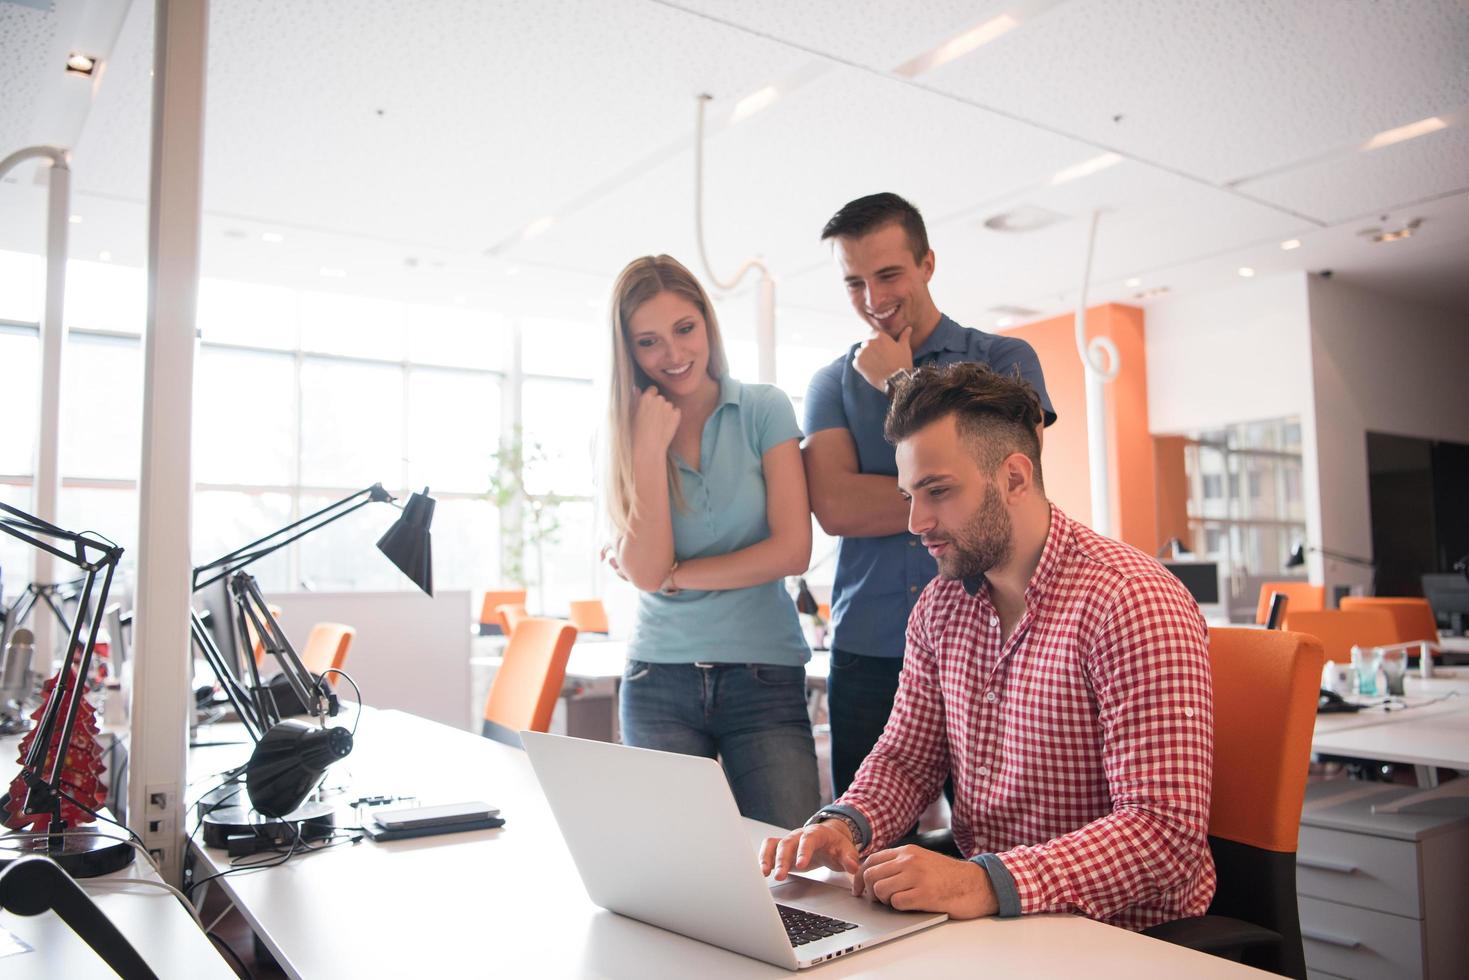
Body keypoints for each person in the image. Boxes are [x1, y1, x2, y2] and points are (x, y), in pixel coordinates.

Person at [763, 363, 1215, 931]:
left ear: (1015, 479)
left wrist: (981, 881)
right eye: (909, 495)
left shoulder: (1130, 601)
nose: (915, 521)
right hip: (997, 924)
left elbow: (1163, 833)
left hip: (1124, 936)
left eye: (938, 491)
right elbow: (907, 760)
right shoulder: (941, 606)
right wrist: (843, 825)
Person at [802, 192, 1056, 799]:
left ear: (927, 265)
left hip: (989, 640)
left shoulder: (1004, 359)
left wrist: (900, 385)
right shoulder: (830, 384)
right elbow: (835, 509)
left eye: (888, 273)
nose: (873, 298)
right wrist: (954, 488)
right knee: (865, 846)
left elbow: (1013, 488)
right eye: (854, 282)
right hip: (868, 647)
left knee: (993, 835)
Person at [603, 254, 820, 830]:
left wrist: (677, 574)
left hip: (763, 675)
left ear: (707, 323)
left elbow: (793, 550)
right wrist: (648, 448)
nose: (673, 355)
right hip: (659, 677)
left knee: (793, 875)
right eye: (648, 342)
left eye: (684, 329)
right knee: (675, 874)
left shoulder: (763, 408)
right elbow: (645, 570)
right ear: (628, 351)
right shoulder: (624, 431)